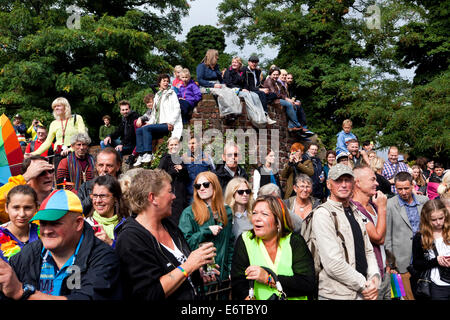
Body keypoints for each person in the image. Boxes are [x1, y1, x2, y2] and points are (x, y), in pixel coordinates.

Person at [0, 189, 122, 300]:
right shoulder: (26, 255)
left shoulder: (104, 258)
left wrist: (22, 292)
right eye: (43, 223)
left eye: (55, 223)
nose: (46, 231)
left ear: (78, 223)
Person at [116, 169, 217, 300]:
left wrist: (198, 272)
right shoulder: (130, 239)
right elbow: (149, 293)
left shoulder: (169, 226)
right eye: (170, 191)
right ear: (152, 198)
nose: (174, 196)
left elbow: (179, 270)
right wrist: (189, 265)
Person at [309, 164, 380, 300]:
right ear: (329, 184)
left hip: (362, 292)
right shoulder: (323, 214)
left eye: (347, 180)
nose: (344, 185)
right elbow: (333, 263)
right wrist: (364, 284)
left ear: (353, 184)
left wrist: (374, 279)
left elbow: (368, 250)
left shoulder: (356, 212)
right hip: (336, 294)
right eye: (338, 180)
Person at [230, 195, 316, 300]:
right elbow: (238, 281)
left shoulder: (294, 241)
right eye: (254, 213)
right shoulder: (245, 240)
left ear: (278, 221)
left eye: (264, 214)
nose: (257, 218)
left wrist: (268, 278)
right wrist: (246, 297)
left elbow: (307, 283)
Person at [178, 171, 234, 281]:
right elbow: (184, 244)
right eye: (198, 186)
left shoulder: (226, 211)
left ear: (215, 186)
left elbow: (230, 242)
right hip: (202, 275)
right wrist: (206, 231)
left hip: (224, 276)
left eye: (206, 184)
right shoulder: (189, 213)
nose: (202, 188)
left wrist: (230, 268)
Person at [385, 171, 429, 300]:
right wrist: (392, 264)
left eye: (406, 188)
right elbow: (388, 236)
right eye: (399, 189)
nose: (403, 192)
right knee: (400, 296)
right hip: (400, 262)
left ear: (412, 186)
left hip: (423, 259)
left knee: (424, 293)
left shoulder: (424, 201)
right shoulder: (390, 204)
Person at [351, 165, 390, 300]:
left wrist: (387, 265)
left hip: (384, 272)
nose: (377, 183)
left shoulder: (373, 205)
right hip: (370, 278)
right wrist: (383, 208)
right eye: (372, 180)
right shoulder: (354, 209)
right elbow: (379, 238)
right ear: (357, 182)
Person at [133, 74, 183, 167]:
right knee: (140, 129)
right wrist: (149, 123)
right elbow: (154, 113)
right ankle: (140, 154)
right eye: (164, 81)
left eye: (167, 81)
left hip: (167, 124)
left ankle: (148, 153)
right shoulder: (157, 95)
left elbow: (177, 109)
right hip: (158, 123)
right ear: (159, 82)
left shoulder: (171, 93)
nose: (166, 83)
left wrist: (170, 122)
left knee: (146, 129)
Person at [28, 97, 86, 172]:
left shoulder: (77, 118)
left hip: (75, 152)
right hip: (59, 153)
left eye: (58, 106)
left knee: (75, 178)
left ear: (66, 107)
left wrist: (71, 149)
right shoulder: (53, 123)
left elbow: (82, 137)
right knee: (60, 179)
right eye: (54, 107)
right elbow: (48, 142)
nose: (56, 108)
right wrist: (34, 153)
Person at [411, 199, 450, 300]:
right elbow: (417, 263)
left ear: (445, 214)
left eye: (441, 218)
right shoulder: (420, 237)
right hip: (438, 286)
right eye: (433, 220)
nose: (438, 223)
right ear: (426, 219)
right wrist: (436, 261)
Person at [0, 156, 54, 223]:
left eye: (50, 170)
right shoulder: (19, 209)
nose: (48, 176)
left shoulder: (62, 198)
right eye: (41, 172)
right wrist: (26, 177)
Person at [223, 56, 271, 127]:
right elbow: (228, 84)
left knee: (253, 95)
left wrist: (245, 88)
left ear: (239, 64)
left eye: (236, 62)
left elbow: (245, 83)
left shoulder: (241, 72)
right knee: (247, 95)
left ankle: (261, 115)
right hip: (231, 90)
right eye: (233, 62)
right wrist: (241, 89)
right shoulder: (228, 71)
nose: (234, 64)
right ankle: (253, 115)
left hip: (241, 90)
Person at [84, 175, 129, 248]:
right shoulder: (86, 225)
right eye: (95, 196)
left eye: (103, 196)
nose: (98, 201)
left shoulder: (126, 226)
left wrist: (111, 243)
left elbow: (130, 256)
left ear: (115, 198)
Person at [196, 49, 242, 118]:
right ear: (212, 56)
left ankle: (235, 111)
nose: (218, 58)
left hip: (217, 85)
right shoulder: (201, 66)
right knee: (221, 93)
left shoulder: (216, 67)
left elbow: (220, 79)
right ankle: (226, 113)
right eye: (216, 56)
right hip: (206, 87)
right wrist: (213, 85)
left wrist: (224, 85)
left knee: (230, 91)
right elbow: (200, 80)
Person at [0, 185, 40, 262]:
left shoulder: (44, 233)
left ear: (36, 208)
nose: (22, 214)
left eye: (27, 208)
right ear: (6, 208)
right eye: (16, 208)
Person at [78, 147, 122, 216]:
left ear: (118, 166)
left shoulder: (125, 188)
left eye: (109, 166)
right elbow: (79, 211)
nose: (104, 169)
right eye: (101, 165)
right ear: (96, 166)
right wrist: (93, 194)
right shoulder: (86, 187)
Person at [158, 137, 190, 225]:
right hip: (170, 195)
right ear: (168, 146)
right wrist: (172, 172)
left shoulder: (180, 160)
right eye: (171, 145)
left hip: (182, 195)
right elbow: (159, 175)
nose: (173, 146)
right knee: (172, 221)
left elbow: (187, 178)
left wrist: (182, 169)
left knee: (182, 221)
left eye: (175, 144)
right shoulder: (165, 159)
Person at [263, 67, 304, 133]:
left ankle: (291, 126)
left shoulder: (278, 83)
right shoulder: (269, 80)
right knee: (289, 104)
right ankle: (297, 124)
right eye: (274, 74)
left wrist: (288, 99)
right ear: (270, 74)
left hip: (278, 99)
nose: (276, 76)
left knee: (293, 104)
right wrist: (286, 99)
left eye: (277, 75)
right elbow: (275, 93)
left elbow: (283, 93)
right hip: (272, 100)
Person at [241, 55, 277, 124]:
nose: (254, 64)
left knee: (273, 95)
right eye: (252, 62)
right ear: (248, 62)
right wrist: (260, 90)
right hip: (248, 90)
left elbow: (258, 84)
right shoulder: (244, 70)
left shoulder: (257, 71)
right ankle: (265, 115)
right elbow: (247, 85)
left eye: (256, 62)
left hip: (257, 90)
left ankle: (261, 104)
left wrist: (264, 88)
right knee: (262, 93)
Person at [182, 136, 215, 203]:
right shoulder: (183, 158)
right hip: (191, 194)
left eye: (193, 143)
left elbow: (214, 174)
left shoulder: (207, 157)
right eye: (189, 143)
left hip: (205, 193)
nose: (191, 146)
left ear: (199, 144)